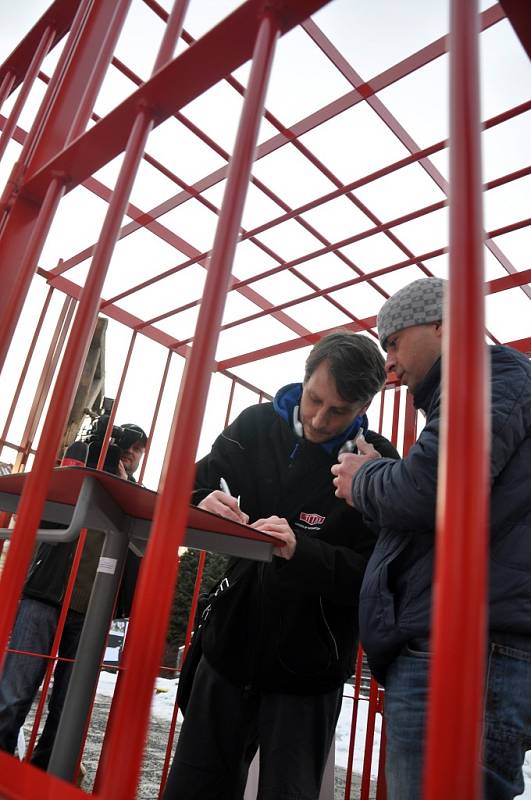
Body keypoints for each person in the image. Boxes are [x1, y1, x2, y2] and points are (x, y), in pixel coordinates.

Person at [163, 332, 399, 800]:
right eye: (314, 399)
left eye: (338, 412)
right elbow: (184, 490)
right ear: (305, 376)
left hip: (308, 672)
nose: (318, 418)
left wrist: (300, 552)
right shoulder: (253, 426)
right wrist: (200, 505)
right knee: (193, 788)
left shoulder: (379, 464)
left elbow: (380, 578)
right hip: (229, 649)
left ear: (364, 407)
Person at [332, 277, 531, 800]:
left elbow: (434, 489)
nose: (389, 364)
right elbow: (442, 503)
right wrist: (387, 479)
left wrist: (365, 480)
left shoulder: (489, 375)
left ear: (443, 325)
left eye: (393, 341)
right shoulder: (480, 392)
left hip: (462, 652)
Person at [0, 420, 147, 771]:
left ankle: (43, 774)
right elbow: (52, 495)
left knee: (70, 707)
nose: (132, 454)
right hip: (45, 592)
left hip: (91, 606)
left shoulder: (133, 493)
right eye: (128, 445)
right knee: (13, 694)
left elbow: (140, 546)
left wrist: (124, 482)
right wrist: (97, 455)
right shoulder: (79, 463)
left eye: (139, 449)